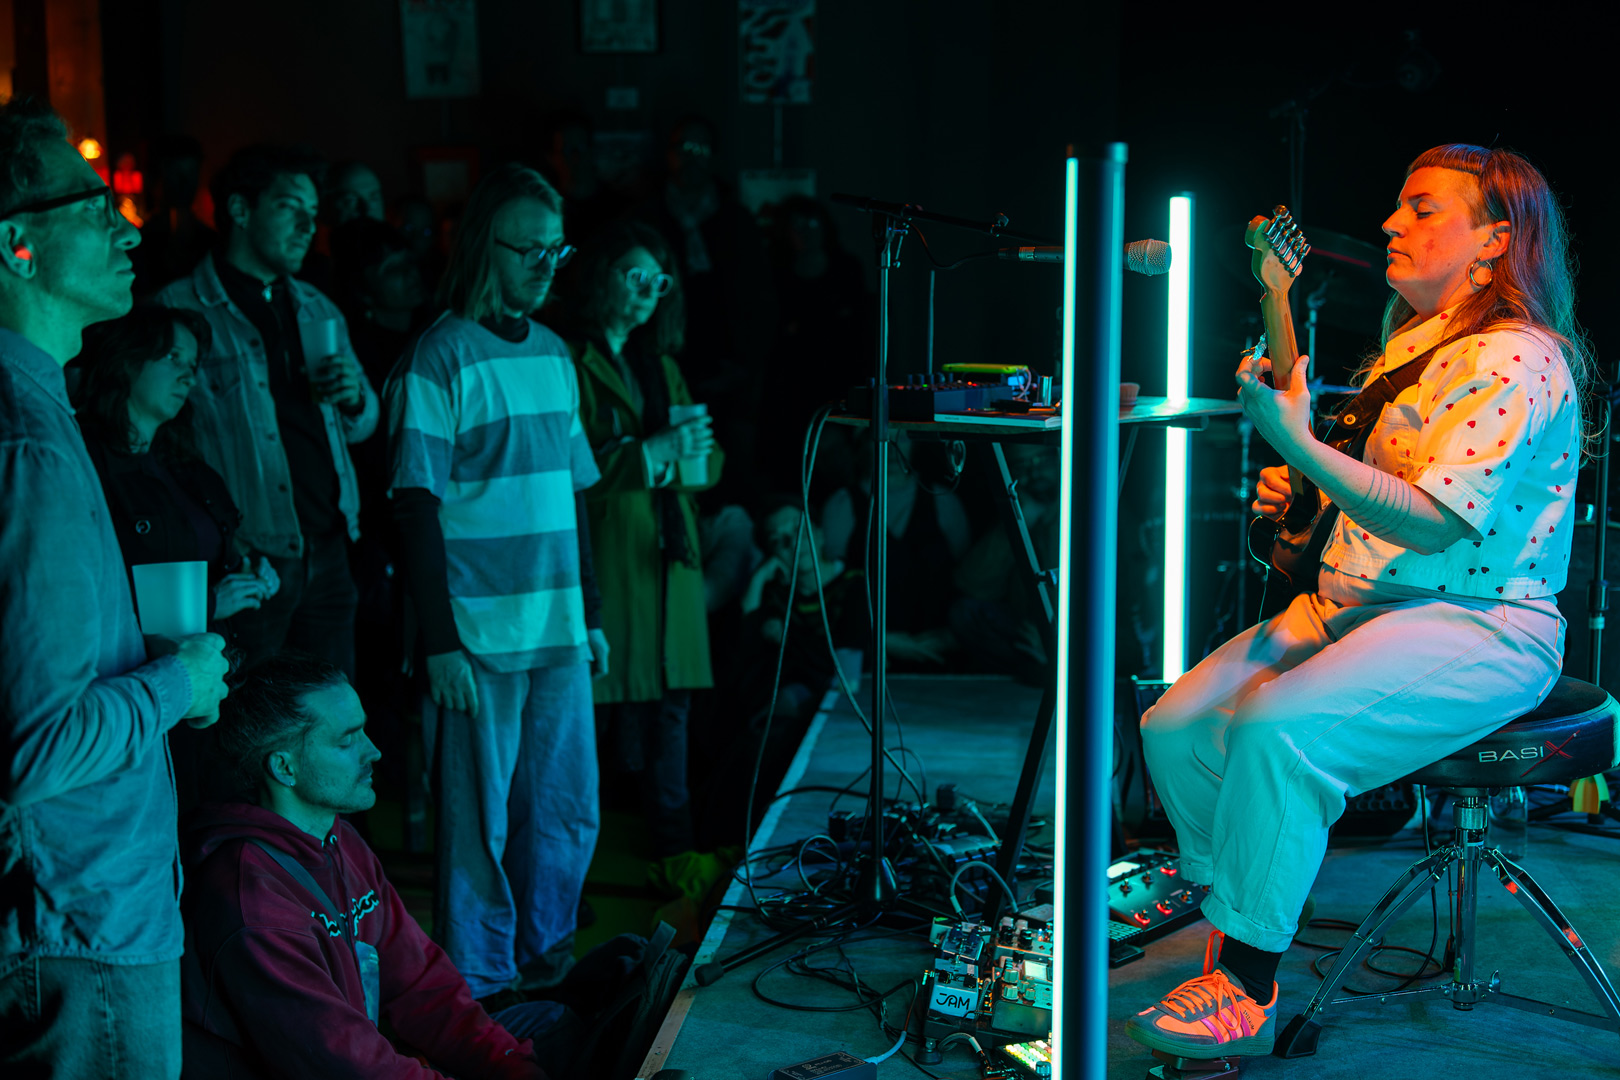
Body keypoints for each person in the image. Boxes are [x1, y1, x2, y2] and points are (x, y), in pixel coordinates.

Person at [1126, 144, 1588, 1061]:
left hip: (1481, 621)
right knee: (1174, 728)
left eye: (1422, 208)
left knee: (1277, 730)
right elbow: (1374, 486)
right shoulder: (1417, 344)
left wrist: (1300, 449)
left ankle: (1246, 985)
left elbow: (1436, 521)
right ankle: (1237, 911)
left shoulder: (1517, 357)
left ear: (1495, 240)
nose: (1390, 223)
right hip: (1360, 602)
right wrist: (1305, 483)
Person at [0, 96, 229, 1079]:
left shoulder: (37, 410)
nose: (127, 229)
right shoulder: (30, 445)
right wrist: (182, 679)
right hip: (82, 920)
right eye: (97, 210)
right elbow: (40, 745)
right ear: (16, 246)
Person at [387, 163, 608, 1003]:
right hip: (477, 634)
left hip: (555, 627)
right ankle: (479, 985)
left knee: (563, 807)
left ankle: (546, 967)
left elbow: (574, 496)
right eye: (531, 249)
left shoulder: (554, 354)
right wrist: (439, 643)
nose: (548, 265)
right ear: (487, 245)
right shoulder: (438, 357)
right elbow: (414, 507)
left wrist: (590, 612)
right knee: (477, 823)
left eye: (558, 250)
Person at [181, 653, 577, 1079]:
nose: (373, 750)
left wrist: (510, 1064)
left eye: (364, 731)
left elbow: (421, 983)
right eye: (347, 741)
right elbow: (351, 1066)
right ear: (284, 767)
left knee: (552, 1024)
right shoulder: (253, 903)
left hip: (365, 1062)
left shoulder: (341, 841)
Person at [157, 144, 380, 679]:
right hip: (246, 559)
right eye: (288, 207)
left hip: (329, 543)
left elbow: (365, 422)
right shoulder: (176, 312)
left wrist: (354, 398)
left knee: (330, 709)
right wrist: (224, 549)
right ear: (240, 209)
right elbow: (152, 448)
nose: (308, 225)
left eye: (313, 211)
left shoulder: (317, 307)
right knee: (246, 715)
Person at [74, 304, 283, 815]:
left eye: (192, 363)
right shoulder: (86, 464)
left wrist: (252, 570)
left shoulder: (183, 462)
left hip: (219, 680)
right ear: (128, 361)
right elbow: (96, 588)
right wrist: (213, 601)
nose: (188, 374)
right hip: (148, 690)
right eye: (172, 358)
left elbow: (214, 548)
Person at [564, 220, 722, 861]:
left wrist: (666, 457)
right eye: (635, 276)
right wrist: (652, 454)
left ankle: (675, 860)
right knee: (592, 721)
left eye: (659, 282)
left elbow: (708, 464)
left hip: (667, 561)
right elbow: (571, 468)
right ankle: (575, 870)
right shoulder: (568, 359)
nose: (648, 292)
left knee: (671, 715)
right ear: (600, 275)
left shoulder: (661, 365)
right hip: (611, 561)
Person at [640, 115, 776, 507]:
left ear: (714, 156)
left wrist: (745, 366)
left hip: (730, 373)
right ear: (669, 154)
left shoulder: (737, 221)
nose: (692, 157)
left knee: (731, 478)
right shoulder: (647, 218)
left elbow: (760, 299)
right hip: (665, 363)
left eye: (701, 148)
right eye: (684, 148)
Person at [131, 134, 216, 296]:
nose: (184, 183)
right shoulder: (138, 245)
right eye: (175, 173)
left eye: (191, 173)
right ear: (154, 179)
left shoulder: (214, 244)